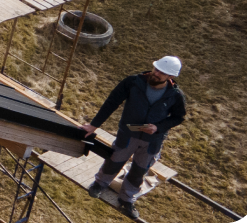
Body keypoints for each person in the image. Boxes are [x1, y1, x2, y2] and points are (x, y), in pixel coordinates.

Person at [79, 56, 187, 219]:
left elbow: (178, 117)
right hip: (128, 135)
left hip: (151, 141)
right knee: (114, 160)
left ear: (170, 77)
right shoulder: (133, 82)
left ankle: (127, 199)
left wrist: (159, 127)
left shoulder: (175, 95)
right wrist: (94, 125)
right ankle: (99, 184)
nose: (156, 73)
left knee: (139, 170)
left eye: (162, 73)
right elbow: (111, 102)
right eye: (156, 69)